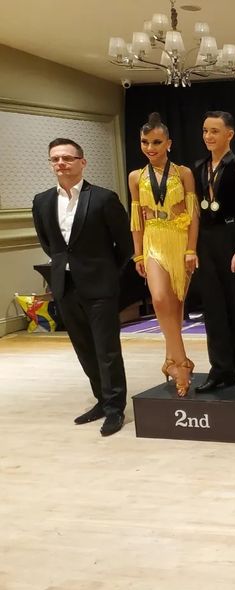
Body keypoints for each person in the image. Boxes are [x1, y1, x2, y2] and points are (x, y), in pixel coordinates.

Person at [32, 138, 133, 436]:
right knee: (84, 348)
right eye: (55, 159)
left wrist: (106, 272)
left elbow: (125, 245)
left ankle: (115, 409)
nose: (61, 164)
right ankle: (101, 400)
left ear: (82, 162)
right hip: (65, 285)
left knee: (106, 349)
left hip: (100, 284)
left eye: (67, 158)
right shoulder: (42, 201)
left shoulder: (103, 198)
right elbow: (49, 244)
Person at [128, 113, 200, 397]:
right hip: (153, 239)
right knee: (159, 299)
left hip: (179, 239)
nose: (150, 147)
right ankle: (181, 363)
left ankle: (171, 359)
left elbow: (193, 215)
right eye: (145, 142)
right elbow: (136, 219)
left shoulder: (183, 173)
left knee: (175, 305)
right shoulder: (136, 177)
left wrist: (192, 249)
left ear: (169, 143)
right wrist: (138, 255)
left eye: (156, 142)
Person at [191, 111, 235, 392]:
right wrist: (191, 248)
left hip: (232, 238)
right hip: (206, 240)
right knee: (212, 308)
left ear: (229, 134)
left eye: (214, 131)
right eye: (205, 130)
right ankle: (219, 369)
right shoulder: (198, 167)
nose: (208, 136)